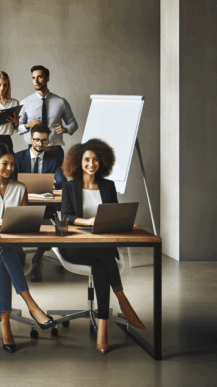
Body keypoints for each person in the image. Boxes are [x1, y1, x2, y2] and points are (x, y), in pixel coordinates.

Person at [0, 143, 55, 353]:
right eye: (4, 163)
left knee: (1, 264)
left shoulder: (20, 188)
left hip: (14, 249)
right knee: (2, 252)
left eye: (12, 164)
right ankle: (32, 305)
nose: (9, 168)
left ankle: (5, 325)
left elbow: (27, 221)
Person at [60, 139, 146, 353]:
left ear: (102, 162)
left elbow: (114, 214)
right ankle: (122, 299)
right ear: (78, 162)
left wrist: (125, 222)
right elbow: (66, 217)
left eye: (95, 159)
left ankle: (103, 327)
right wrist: (88, 222)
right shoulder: (69, 186)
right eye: (87, 159)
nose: (91, 164)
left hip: (102, 243)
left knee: (100, 265)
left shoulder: (108, 186)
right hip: (76, 245)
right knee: (104, 257)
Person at [10, 123, 67, 282]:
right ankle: (18, 258)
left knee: (55, 225)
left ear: (48, 141)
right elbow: (11, 182)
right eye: (36, 140)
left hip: (45, 206)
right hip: (21, 204)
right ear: (30, 139)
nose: (40, 144)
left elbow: (62, 182)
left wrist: (49, 185)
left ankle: (37, 258)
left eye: (44, 141)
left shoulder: (54, 160)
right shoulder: (17, 157)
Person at [17, 65, 78, 162]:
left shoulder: (60, 102)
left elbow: (74, 124)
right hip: (33, 152)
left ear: (47, 78)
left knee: (58, 177)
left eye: (40, 77)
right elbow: (17, 128)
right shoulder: (25, 103)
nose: (36, 81)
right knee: (32, 178)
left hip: (55, 152)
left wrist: (65, 129)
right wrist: (29, 125)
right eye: (33, 78)